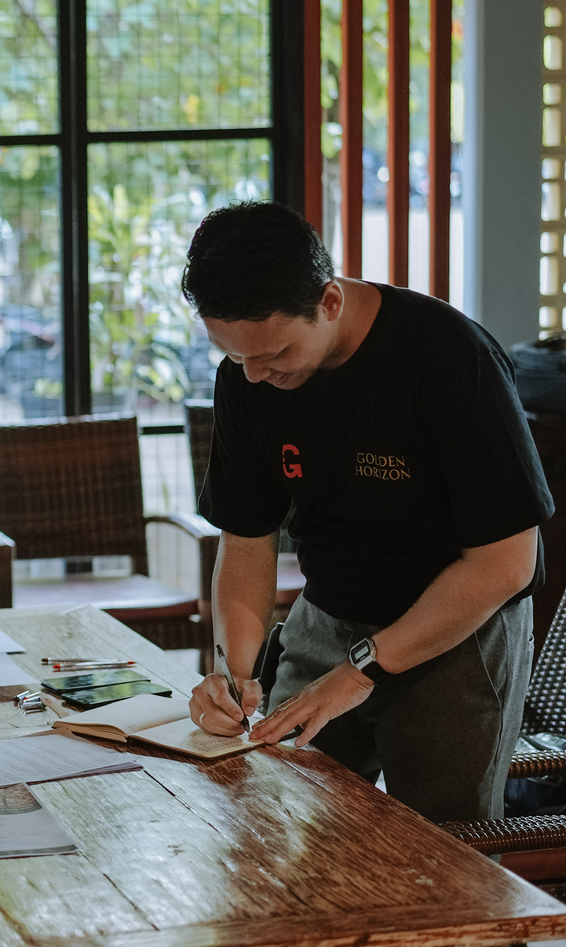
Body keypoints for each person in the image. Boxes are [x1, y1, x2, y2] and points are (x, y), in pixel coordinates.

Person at [184, 200, 553, 824]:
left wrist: (360, 671)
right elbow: (246, 541)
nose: (253, 375)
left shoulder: (448, 357)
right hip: (326, 617)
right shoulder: (247, 378)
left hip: (454, 637)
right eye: (234, 355)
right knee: (280, 820)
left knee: (443, 851)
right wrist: (232, 673)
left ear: (329, 301)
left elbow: (505, 564)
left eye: (274, 354)